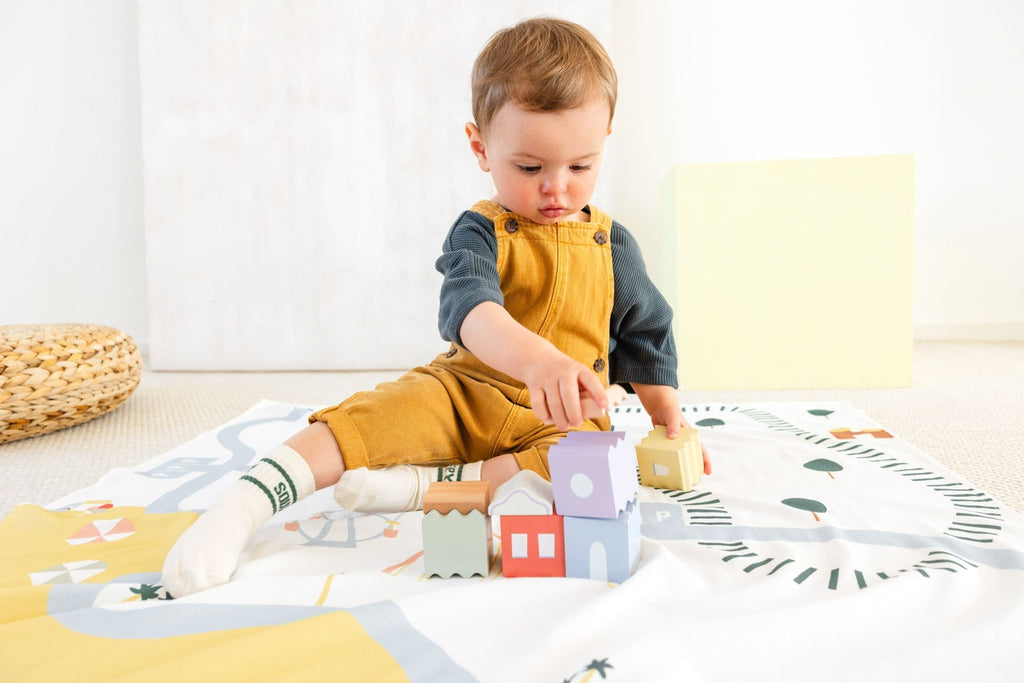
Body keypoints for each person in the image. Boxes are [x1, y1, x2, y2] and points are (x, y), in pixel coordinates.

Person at [162, 16, 711, 598]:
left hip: (562, 419)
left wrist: (665, 415)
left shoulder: (613, 243)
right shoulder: (479, 231)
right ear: (480, 146)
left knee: (586, 467)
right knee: (369, 418)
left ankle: (424, 488)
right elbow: (472, 308)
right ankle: (242, 504)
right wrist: (536, 362)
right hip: (466, 393)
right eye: (530, 167)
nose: (558, 188)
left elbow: (645, 328)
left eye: (581, 166)